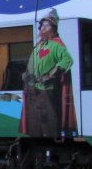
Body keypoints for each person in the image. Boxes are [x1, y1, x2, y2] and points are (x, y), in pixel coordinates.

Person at [20, 9, 77, 137]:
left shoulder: (57, 45)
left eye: (48, 25)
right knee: (34, 118)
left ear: (54, 27)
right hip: (32, 88)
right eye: (43, 25)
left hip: (47, 89)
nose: (44, 28)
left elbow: (67, 60)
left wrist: (50, 76)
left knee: (48, 118)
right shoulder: (39, 45)